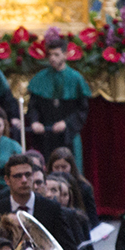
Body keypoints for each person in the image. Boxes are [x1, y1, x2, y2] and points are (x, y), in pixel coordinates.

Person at [25, 40, 92, 168]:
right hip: (45, 135)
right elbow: (33, 106)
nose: (52, 58)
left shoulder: (75, 78)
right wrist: (34, 121)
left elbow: (82, 109)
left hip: (68, 135)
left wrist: (66, 123)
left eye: (56, 54)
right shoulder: (40, 78)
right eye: (50, 55)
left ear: (65, 55)